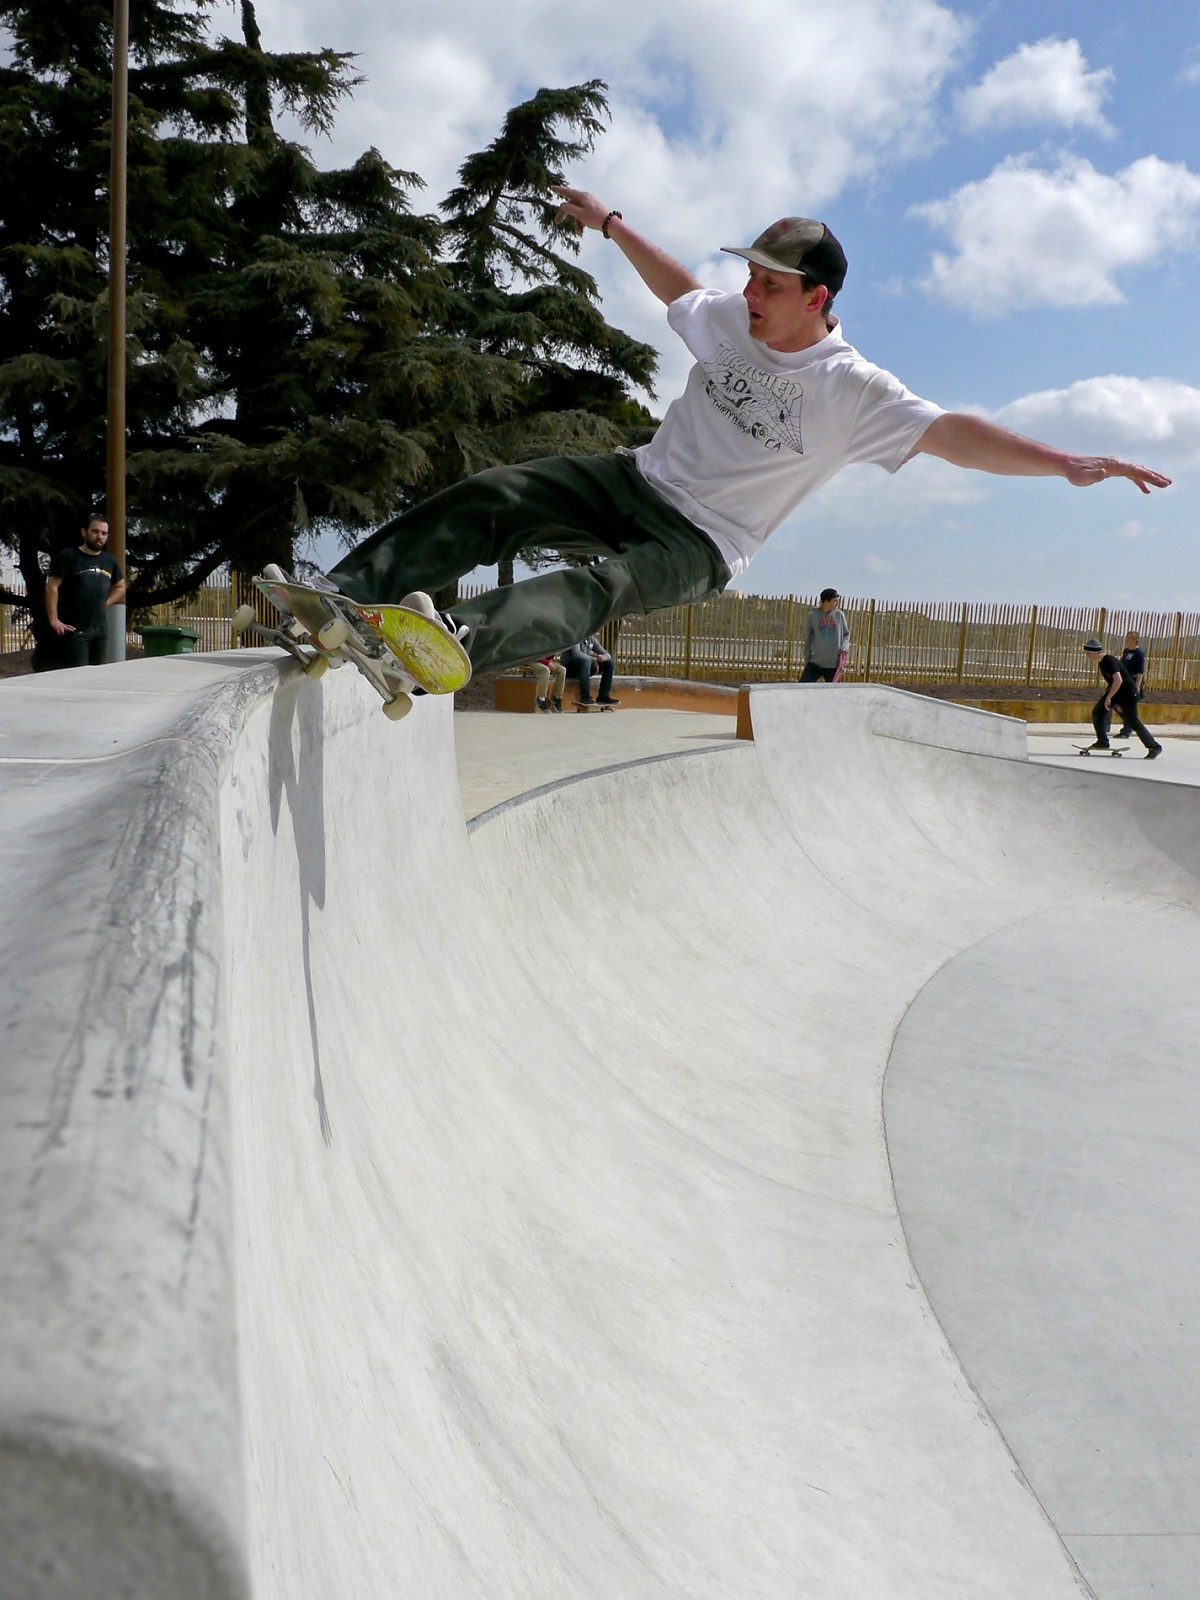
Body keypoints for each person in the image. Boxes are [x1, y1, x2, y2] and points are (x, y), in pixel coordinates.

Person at [323, 196, 1171, 678]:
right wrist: (612, 223)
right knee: (496, 495)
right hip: (635, 478)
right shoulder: (728, 316)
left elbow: (952, 433)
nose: (750, 294)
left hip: (701, 542)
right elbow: (679, 289)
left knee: (599, 587)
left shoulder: (855, 389)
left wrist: (1065, 464)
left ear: (819, 300)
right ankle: (346, 592)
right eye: (752, 277)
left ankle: (454, 643)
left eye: (771, 285)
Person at [43, 513, 125, 669]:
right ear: (84, 532)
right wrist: (54, 619)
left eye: (103, 533)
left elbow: (120, 587)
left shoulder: (110, 562)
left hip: (99, 630)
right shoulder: (68, 556)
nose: (99, 536)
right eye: (95, 531)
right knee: (77, 677)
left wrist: (106, 603)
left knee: (94, 679)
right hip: (75, 630)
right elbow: (52, 586)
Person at [1082, 637, 1161, 758]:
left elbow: (1118, 680)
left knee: (1132, 721)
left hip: (1128, 694)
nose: (1087, 656)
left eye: (1088, 653)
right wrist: (1109, 696)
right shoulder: (1102, 662)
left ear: (1095, 652)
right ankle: (1102, 742)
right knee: (1098, 712)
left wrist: (1109, 697)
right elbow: (1112, 682)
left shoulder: (1109, 660)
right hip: (1118, 694)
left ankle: (1154, 747)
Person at [801, 588, 850, 682]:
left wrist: (844, 647)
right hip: (815, 663)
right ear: (826, 601)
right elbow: (808, 638)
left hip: (833, 664)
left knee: (834, 693)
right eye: (835, 601)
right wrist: (807, 659)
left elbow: (846, 635)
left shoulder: (839, 615)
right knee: (802, 688)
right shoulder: (812, 616)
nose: (837, 604)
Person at [560, 636, 619, 707]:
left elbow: (607, 654)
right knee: (585, 661)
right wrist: (594, 660)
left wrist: (603, 657)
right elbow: (577, 654)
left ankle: (603, 696)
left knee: (609, 663)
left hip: (584, 667)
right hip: (569, 668)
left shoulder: (592, 640)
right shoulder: (576, 637)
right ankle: (585, 697)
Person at [1115, 630, 1147, 738]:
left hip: (1132, 682)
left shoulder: (1139, 654)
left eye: (1129, 637)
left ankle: (1127, 730)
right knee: (1116, 704)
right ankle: (1128, 726)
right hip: (1123, 681)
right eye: (1126, 637)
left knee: (1129, 707)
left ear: (1135, 640)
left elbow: (1140, 671)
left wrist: (1137, 686)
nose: (1127, 639)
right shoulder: (1126, 651)